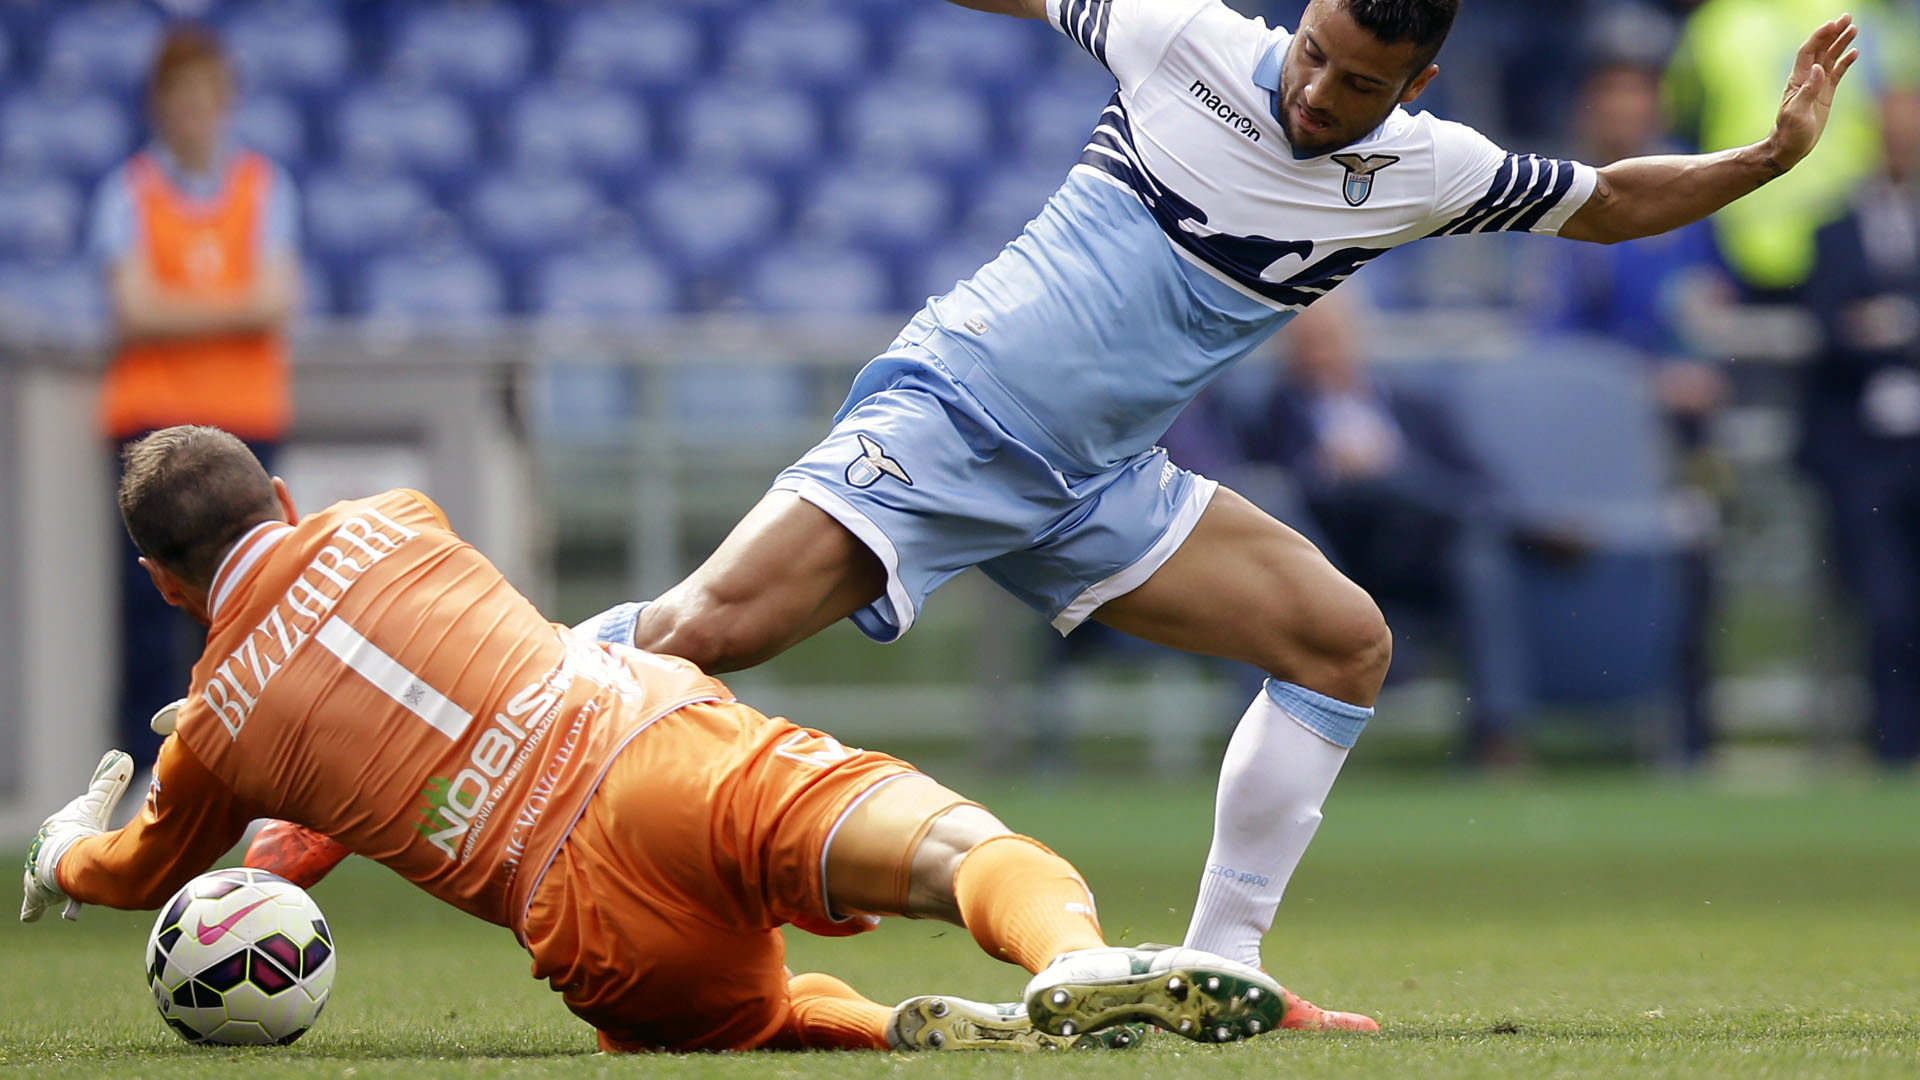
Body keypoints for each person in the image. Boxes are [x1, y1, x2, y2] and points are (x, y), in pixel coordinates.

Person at [264, 0, 1862, 1014]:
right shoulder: (1180, 38)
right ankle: (318, 819)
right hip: (958, 411)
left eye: (1359, 83)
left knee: (1340, 642)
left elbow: (1606, 206)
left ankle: (1221, 968)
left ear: (1417, 81)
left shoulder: (1428, 164)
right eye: (1313, 54)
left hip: (1101, 483)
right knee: (697, 635)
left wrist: (1769, 158)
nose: (1317, 92)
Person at [18, 425, 1369, 1053]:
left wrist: (68, 848)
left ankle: (901, 1032)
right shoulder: (402, 515)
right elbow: (463, 666)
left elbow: (147, 872)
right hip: (656, 753)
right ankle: (1074, 963)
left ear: (162, 583)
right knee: (955, 848)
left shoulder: (223, 731)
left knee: (760, 1014)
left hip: (581, 918)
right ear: (289, 494)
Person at [92, 27, 303, 768]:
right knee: (148, 610)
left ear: (223, 104)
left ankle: (242, 768)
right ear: (159, 107)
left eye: (202, 99)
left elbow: (277, 300)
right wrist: (233, 305)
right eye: (177, 101)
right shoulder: (129, 193)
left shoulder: (264, 187)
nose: (191, 115)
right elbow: (133, 309)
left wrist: (178, 307)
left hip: (244, 427)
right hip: (150, 427)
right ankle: (139, 771)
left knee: (246, 605)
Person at [1533, 51, 1736, 763]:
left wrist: (1707, 348)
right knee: (1609, 582)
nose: (1624, 108)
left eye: (1637, 92)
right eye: (1609, 93)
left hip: (1685, 440)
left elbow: (1711, 299)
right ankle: (1598, 736)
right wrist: (1644, 380)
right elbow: (1550, 342)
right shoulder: (1559, 194)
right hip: (1599, 446)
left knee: (1697, 578)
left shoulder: (1696, 189)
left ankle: (1692, 740)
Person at [1243, 294, 1535, 767]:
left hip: (1420, 555)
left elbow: (1481, 484)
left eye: (1330, 341)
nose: (1321, 354)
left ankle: (1497, 736)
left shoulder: (1417, 408)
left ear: (1356, 340)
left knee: (1478, 558)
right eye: (1309, 345)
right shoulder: (1273, 416)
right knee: (1385, 492)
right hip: (1336, 560)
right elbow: (1267, 498)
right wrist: (1325, 471)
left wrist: (1395, 471)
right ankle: (1526, 530)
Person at [1799, 86, 1920, 766]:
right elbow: (1833, 330)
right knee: (1885, 607)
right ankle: (1894, 750)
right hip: (1865, 449)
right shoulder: (1836, 230)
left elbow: (1866, 324)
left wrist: (1885, 324)